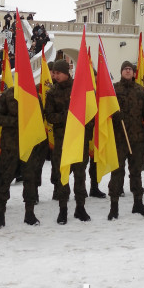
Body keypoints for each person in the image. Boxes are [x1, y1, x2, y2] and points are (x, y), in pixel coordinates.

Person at [0, 83, 46, 229]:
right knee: (4, 179)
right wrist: (15, 122)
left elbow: (40, 117)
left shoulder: (33, 95)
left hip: (29, 144)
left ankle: (30, 213)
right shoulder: (8, 95)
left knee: (30, 179)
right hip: (10, 145)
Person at [45, 59, 93, 224]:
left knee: (80, 176)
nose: (55, 75)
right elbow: (50, 117)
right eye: (54, 73)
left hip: (80, 140)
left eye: (58, 73)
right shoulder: (51, 93)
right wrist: (68, 116)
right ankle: (63, 210)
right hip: (62, 141)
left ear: (67, 72)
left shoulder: (80, 90)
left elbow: (89, 114)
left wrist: (87, 133)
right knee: (62, 176)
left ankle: (81, 208)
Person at [107, 61, 144, 220]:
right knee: (117, 172)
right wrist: (114, 116)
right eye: (125, 69)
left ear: (134, 73)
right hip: (119, 139)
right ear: (121, 72)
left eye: (130, 69)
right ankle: (114, 206)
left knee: (136, 172)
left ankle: (138, 203)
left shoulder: (140, 90)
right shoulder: (114, 89)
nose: (127, 71)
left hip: (137, 139)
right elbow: (106, 112)